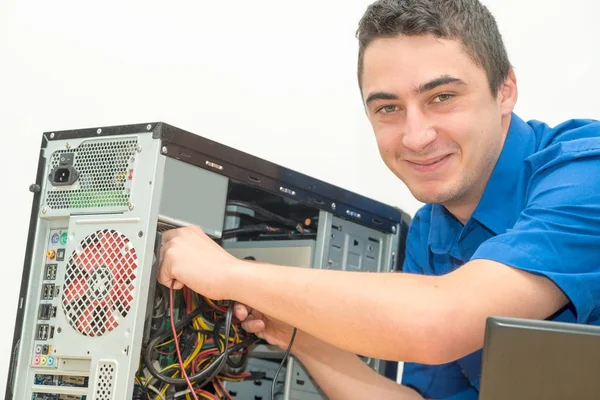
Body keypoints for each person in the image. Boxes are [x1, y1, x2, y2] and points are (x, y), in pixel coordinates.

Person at [158, 0, 600, 398]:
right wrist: (299, 336)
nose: (416, 136)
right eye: (388, 108)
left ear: (505, 90)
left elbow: (439, 321)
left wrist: (229, 274)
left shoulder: (585, 174)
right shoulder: (431, 230)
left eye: (442, 97)